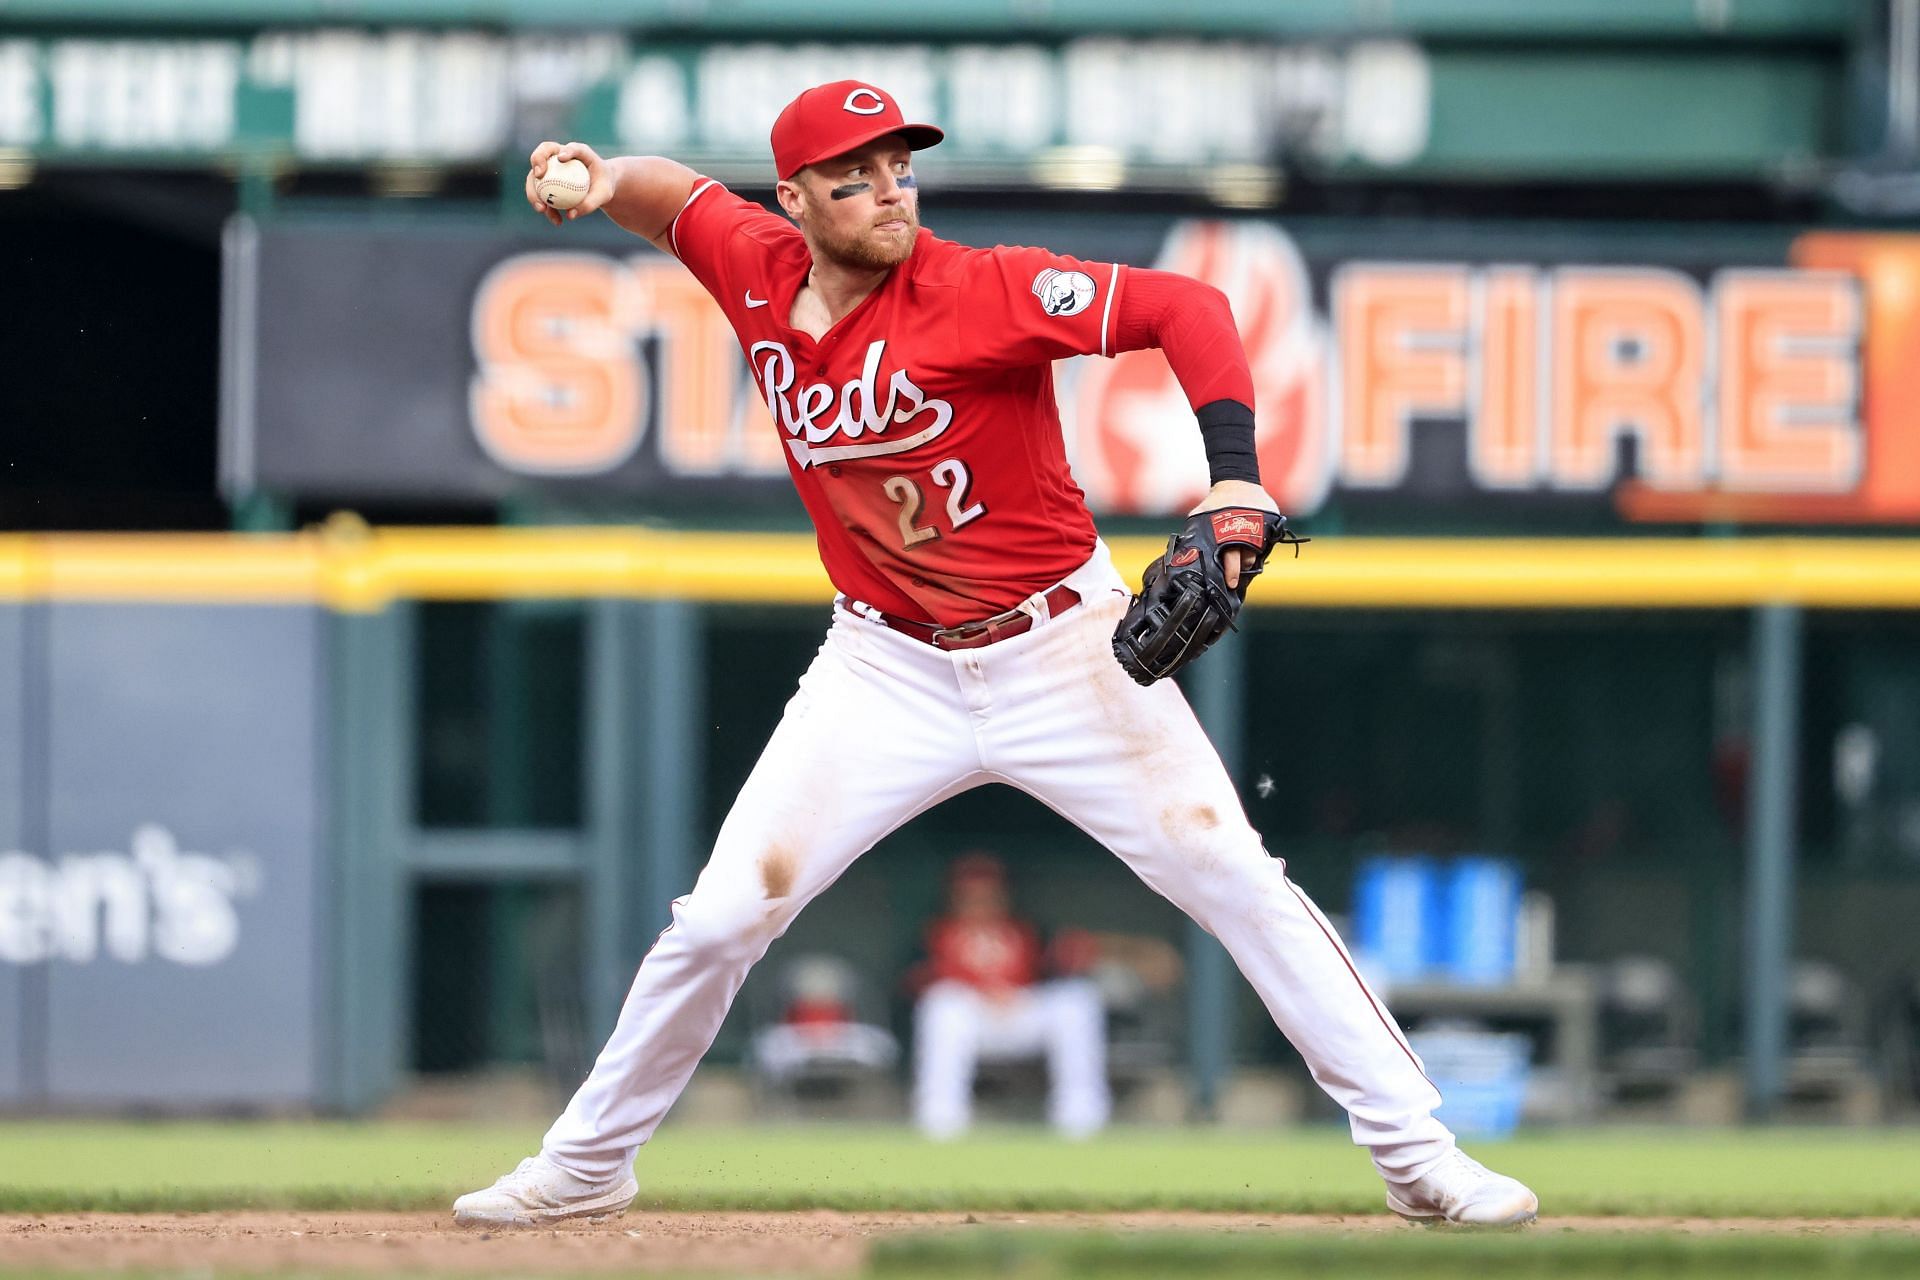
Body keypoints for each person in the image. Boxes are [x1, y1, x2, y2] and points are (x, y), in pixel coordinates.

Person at [453, 80, 1538, 1229]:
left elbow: (1189, 309)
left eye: (900, 168)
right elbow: (678, 199)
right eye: (853, 178)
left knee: (1234, 874)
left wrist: (1232, 473)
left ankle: (1420, 1155)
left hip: (1061, 648)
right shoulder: (757, 264)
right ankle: (586, 1163)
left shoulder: (979, 290)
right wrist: (605, 177)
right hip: (884, 667)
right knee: (722, 914)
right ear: (796, 199)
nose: (888, 193)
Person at [909, 853, 1108, 1139]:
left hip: (1022, 1011)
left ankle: (1080, 1118)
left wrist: (1017, 994)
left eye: (989, 894)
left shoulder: (1027, 929)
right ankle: (941, 1119)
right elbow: (914, 984)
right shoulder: (934, 931)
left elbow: (1056, 970)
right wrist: (978, 991)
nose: (981, 902)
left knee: (1076, 1000)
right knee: (943, 1005)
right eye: (971, 895)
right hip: (970, 1017)